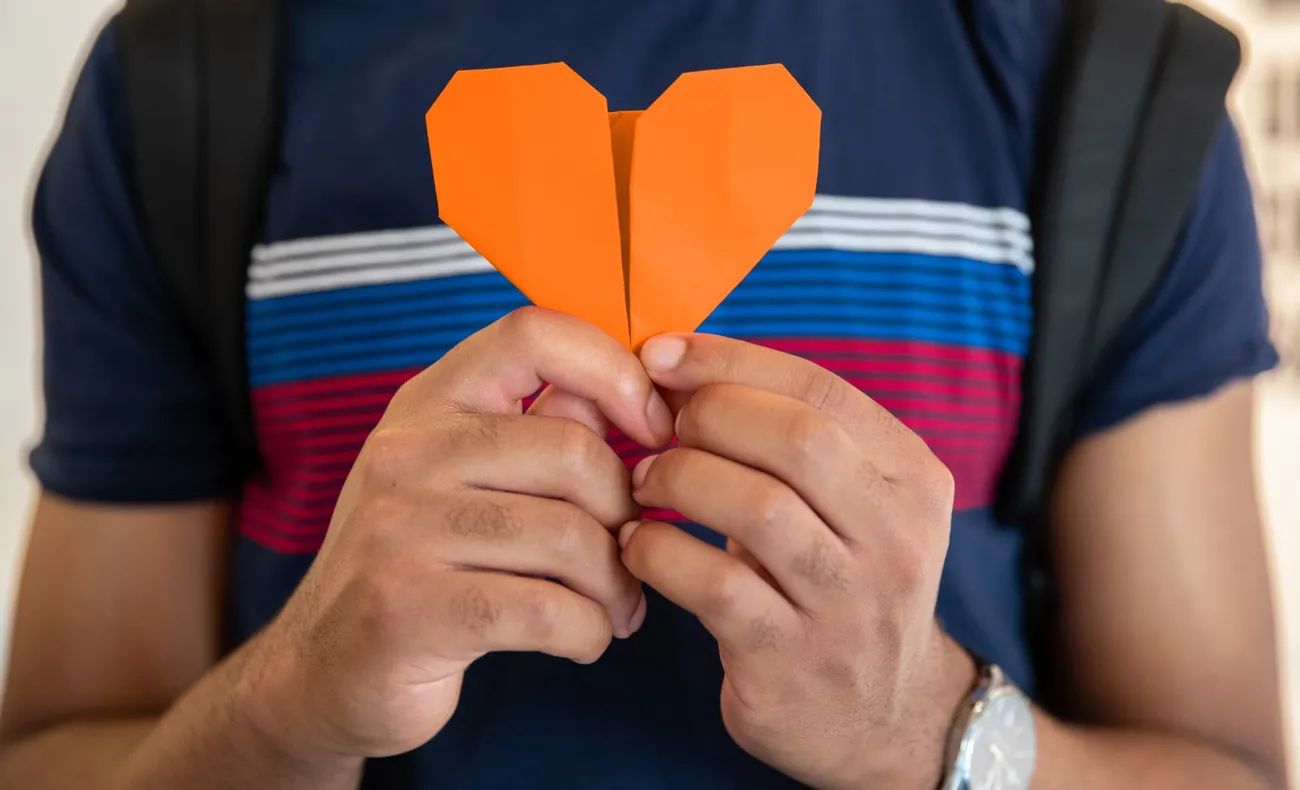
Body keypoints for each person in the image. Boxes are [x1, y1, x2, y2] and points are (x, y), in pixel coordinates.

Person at [0, 2, 1288, 788]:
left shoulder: (1113, 93)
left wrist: (925, 734)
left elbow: (1225, 774)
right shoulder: (185, 87)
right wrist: (290, 703)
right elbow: (51, 756)